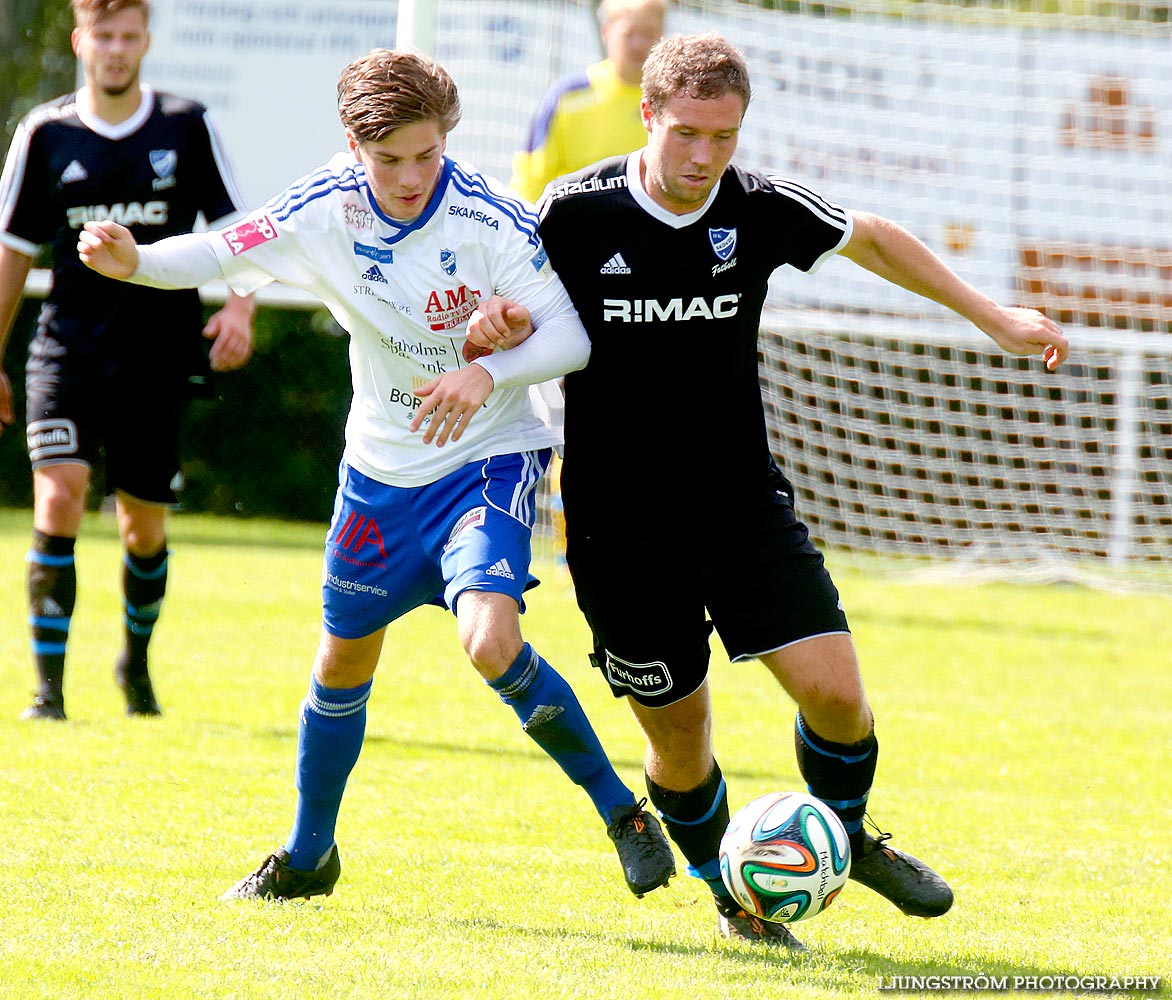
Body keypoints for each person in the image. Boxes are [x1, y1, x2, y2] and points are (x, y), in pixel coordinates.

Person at [77, 48, 677, 903]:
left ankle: (623, 814)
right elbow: (216, 250)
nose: (410, 175)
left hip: (487, 455)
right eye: (388, 158)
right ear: (353, 148)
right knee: (340, 663)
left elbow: (571, 339)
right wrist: (135, 261)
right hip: (380, 472)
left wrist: (484, 374)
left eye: (426, 154)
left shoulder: (489, 219)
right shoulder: (322, 211)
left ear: (448, 140)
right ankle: (309, 855)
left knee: (490, 639)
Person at [534, 32, 1070, 950]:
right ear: (649, 115)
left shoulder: (757, 206)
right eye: (688, 135)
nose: (705, 158)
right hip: (620, 533)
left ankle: (847, 834)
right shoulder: (571, 215)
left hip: (741, 507)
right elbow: (502, 308)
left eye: (725, 138)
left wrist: (992, 315)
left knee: (837, 697)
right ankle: (732, 896)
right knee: (680, 745)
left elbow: (875, 239)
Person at [0, 0, 255, 721]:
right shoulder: (45, 132)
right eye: (102, 36)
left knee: (144, 527)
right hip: (68, 352)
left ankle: (134, 667)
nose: (114, 49)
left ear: (145, 41)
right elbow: (11, 254)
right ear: (82, 41)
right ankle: (48, 693)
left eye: (128, 36)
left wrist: (238, 307)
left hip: (159, 355)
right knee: (60, 497)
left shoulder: (186, 125)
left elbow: (241, 229)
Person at [509, 0, 668, 203]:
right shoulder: (569, 96)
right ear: (606, 32)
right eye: (629, 34)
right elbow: (530, 178)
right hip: (575, 224)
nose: (638, 44)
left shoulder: (674, 100)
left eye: (647, 34)